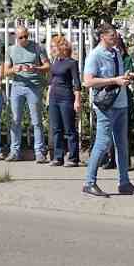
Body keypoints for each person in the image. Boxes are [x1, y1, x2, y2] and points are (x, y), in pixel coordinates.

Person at [82, 24, 134, 198]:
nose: (115, 37)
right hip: (106, 106)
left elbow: (118, 77)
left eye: (115, 35)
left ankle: (124, 183)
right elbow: (88, 82)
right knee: (102, 143)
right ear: (102, 37)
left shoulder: (116, 53)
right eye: (111, 35)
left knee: (122, 144)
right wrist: (114, 80)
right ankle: (89, 182)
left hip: (121, 103)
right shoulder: (95, 55)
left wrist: (126, 78)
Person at [4, 26, 51, 163]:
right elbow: (5, 71)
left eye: (26, 36)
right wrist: (14, 69)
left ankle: (39, 152)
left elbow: (48, 66)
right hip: (17, 86)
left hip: (34, 87)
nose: (24, 39)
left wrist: (35, 68)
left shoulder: (38, 48)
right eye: (21, 37)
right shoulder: (11, 50)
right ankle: (15, 151)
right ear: (16, 37)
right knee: (15, 120)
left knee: (36, 121)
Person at [44, 34, 81, 167]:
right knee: (56, 128)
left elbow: (77, 83)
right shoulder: (54, 62)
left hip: (66, 97)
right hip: (54, 96)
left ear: (61, 47)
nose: (52, 49)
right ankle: (58, 157)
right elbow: (50, 81)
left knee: (69, 128)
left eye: (53, 47)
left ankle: (73, 157)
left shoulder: (71, 63)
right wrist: (48, 98)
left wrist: (77, 100)